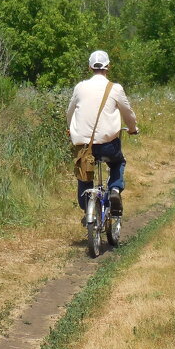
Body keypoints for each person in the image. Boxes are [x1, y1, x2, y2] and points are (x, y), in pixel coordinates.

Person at [66, 49, 138, 222]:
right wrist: (132, 128)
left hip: (84, 147)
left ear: (90, 67)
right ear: (108, 67)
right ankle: (115, 189)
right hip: (107, 146)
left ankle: (87, 209)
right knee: (118, 162)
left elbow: (70, 113)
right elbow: (127, 113)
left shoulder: (80, 87)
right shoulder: (115, 88)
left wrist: (70, 129)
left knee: (84, 171)